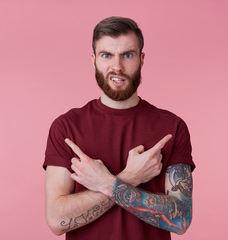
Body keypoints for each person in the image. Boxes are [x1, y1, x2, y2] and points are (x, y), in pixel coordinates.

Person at [43, 16, 195, 240]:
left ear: (141, 59)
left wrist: (106, 182)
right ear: (94, 59)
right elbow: (57, 220)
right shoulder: (66, 128)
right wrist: (130, 177)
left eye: (127, 55)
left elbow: (180, 219)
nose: (117, 66)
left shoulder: (172, 127)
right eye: (107, 55)